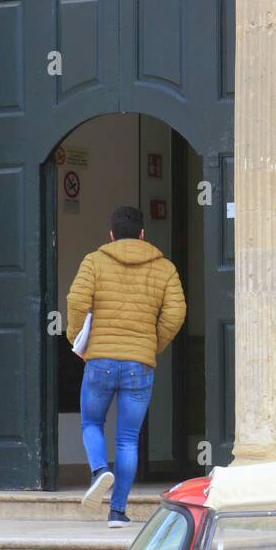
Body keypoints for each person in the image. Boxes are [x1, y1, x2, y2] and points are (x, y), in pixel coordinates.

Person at [66, 205, 186, 526]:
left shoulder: (94, 261)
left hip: (100, 361)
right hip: (139, 364)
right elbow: (176, 313)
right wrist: (152, 343)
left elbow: (77, 301)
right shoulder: (165, 268)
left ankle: (99, 470)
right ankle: (117, 511)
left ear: (111, 235)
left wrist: (76, 336)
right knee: (128, 438)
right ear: (143, 234)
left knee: (91, 423)